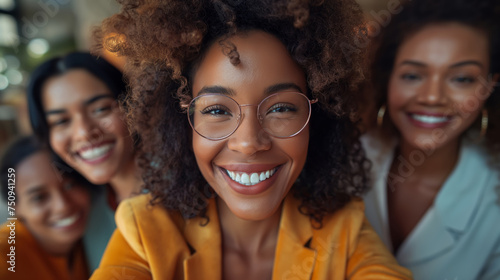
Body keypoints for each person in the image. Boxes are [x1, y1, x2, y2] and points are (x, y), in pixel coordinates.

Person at [90, 0, 412, 279]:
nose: (248, 142)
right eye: (217, 110)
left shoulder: (344, 230)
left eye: (282, 108)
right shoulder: (145, 232)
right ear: (183, 123)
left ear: (319, 118)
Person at [362, 0, 500, 279]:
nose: (432, 97)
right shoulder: (341, 156)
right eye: (412, 75)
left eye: (461, 79)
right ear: (387, 80)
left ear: (489, 88)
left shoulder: (493, 198)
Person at [26, 52, 141, 271]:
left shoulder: (187, 192)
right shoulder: (88, 211)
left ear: (132, 105)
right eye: (61, 121)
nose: (84, 133)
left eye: (100, 109)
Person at [0, 136, 90, 280]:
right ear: (15, 207)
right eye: (39, 197)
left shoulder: (96, 230)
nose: (63, 206)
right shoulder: (6, 255)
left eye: (70, 185)